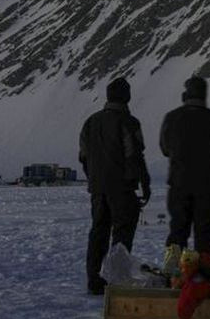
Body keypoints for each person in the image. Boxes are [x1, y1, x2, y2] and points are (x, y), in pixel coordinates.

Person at [79, 77, 151, 295]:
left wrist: (94, 178)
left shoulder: (91, 122)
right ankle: (117, 279)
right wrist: (144, 183)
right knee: (122, 233)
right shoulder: (129, 122)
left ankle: (94, 279)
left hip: (98, 188)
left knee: (98, 232)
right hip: (122, 188)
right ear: (125, 96)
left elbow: (83, 155)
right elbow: (135, 155)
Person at [160, 76, 210, 271]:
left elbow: (165, 148)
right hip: (207, 185)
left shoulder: (172, 118)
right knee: (205, 232)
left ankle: (173, 273)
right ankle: (204, 275)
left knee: (177, 230)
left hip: (178, 184)